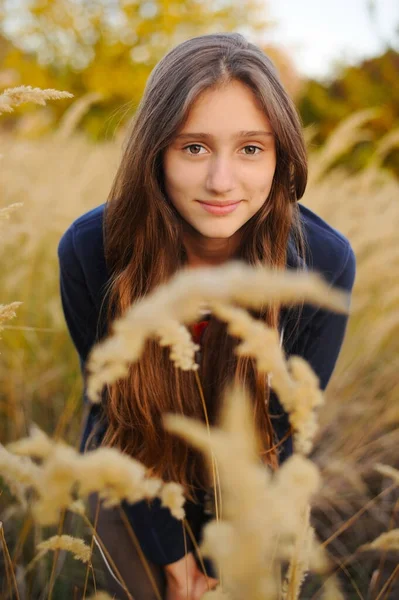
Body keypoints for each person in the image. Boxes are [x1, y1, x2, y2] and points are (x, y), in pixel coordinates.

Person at [57, 32, 356, 600]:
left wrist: (220, 562)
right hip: (131, 462)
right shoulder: (92, 249)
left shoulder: (322, 265)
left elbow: (279, 433)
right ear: (156, 152)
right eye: (193, 147)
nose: (222, 181)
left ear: (280, 156)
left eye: (250, 148)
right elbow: (113, 413)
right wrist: (174, 562)